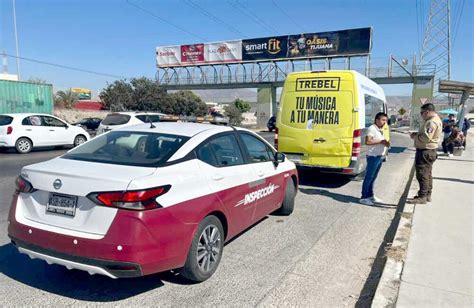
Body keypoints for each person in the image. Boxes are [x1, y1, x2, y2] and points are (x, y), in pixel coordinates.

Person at [407, 103, 442, 204]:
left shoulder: (431, 122)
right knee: (428, 174)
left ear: (427, 112)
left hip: (425, 151)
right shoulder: (434, 120)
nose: (421, 115)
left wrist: (415, 136)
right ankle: (427, 194)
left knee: (422, 175)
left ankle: (422, 197)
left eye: (422, 113)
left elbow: (426, 138)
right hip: (429, 151)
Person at [360, 112, 390, 206]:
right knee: (369, 177)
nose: (385, 122)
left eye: (386, 120)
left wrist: (386, 144)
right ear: (377, 120)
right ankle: (364, 197)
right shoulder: (372, 129)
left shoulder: (382, 129)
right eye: (383, 120)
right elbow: (368, 142)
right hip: (373, 156)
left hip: (380, 156)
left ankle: (370, 195)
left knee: (374, 177)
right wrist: (381, 141)